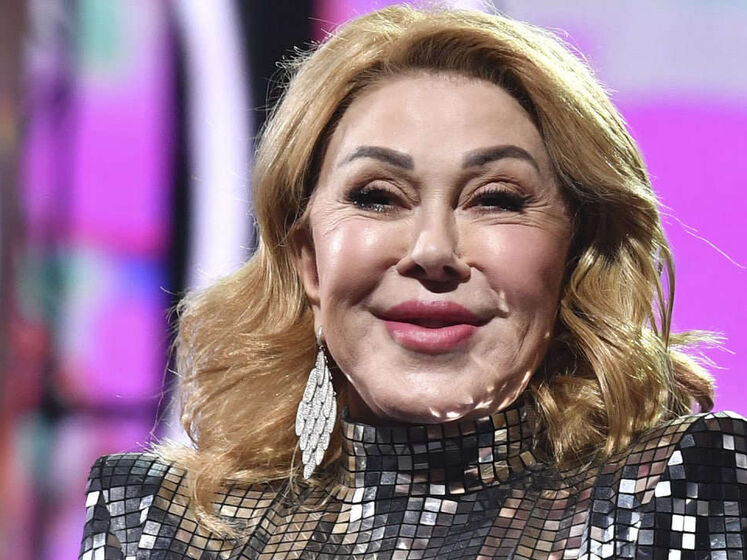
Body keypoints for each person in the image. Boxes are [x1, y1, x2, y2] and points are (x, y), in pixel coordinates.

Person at [79, 6, 746, 559]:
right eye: (376, 196)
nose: (432, 251)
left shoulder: (673, 487)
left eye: (496, 199)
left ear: (576, 253)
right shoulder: (163, 522)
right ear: (307, 258)